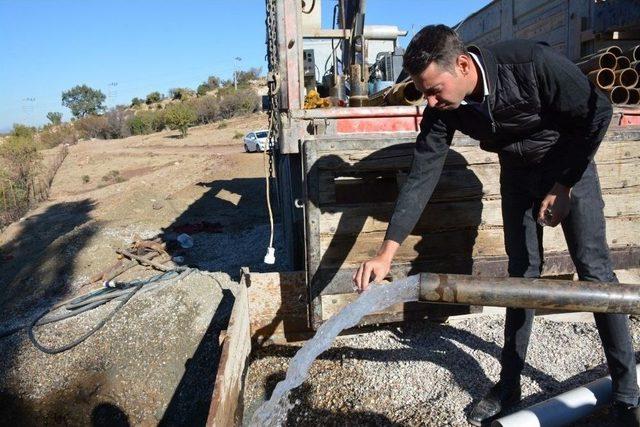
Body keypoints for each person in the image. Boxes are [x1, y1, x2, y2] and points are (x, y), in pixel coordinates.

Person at [352, 25, 640, 426]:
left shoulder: (530, 63)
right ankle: (509, 386)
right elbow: (422, 173)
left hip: (568, 165)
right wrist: (387, 252)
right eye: (424, 93)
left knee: (595, 272)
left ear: (464, 65)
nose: (431, 101)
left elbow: (598, 112)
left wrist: (564, 185)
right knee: (520, 276)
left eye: (435, 89)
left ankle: (626, 395)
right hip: (518, 176)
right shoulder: (443, 108)